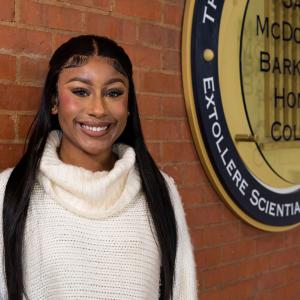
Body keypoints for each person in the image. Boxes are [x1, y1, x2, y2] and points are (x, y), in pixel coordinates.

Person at [0, 35, 197, 300]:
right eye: (81, 91)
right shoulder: (9, 192)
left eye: (113, 92)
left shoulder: (160, 192)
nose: (98, 109)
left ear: (129, 106)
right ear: (54, 101)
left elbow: (182, 292)